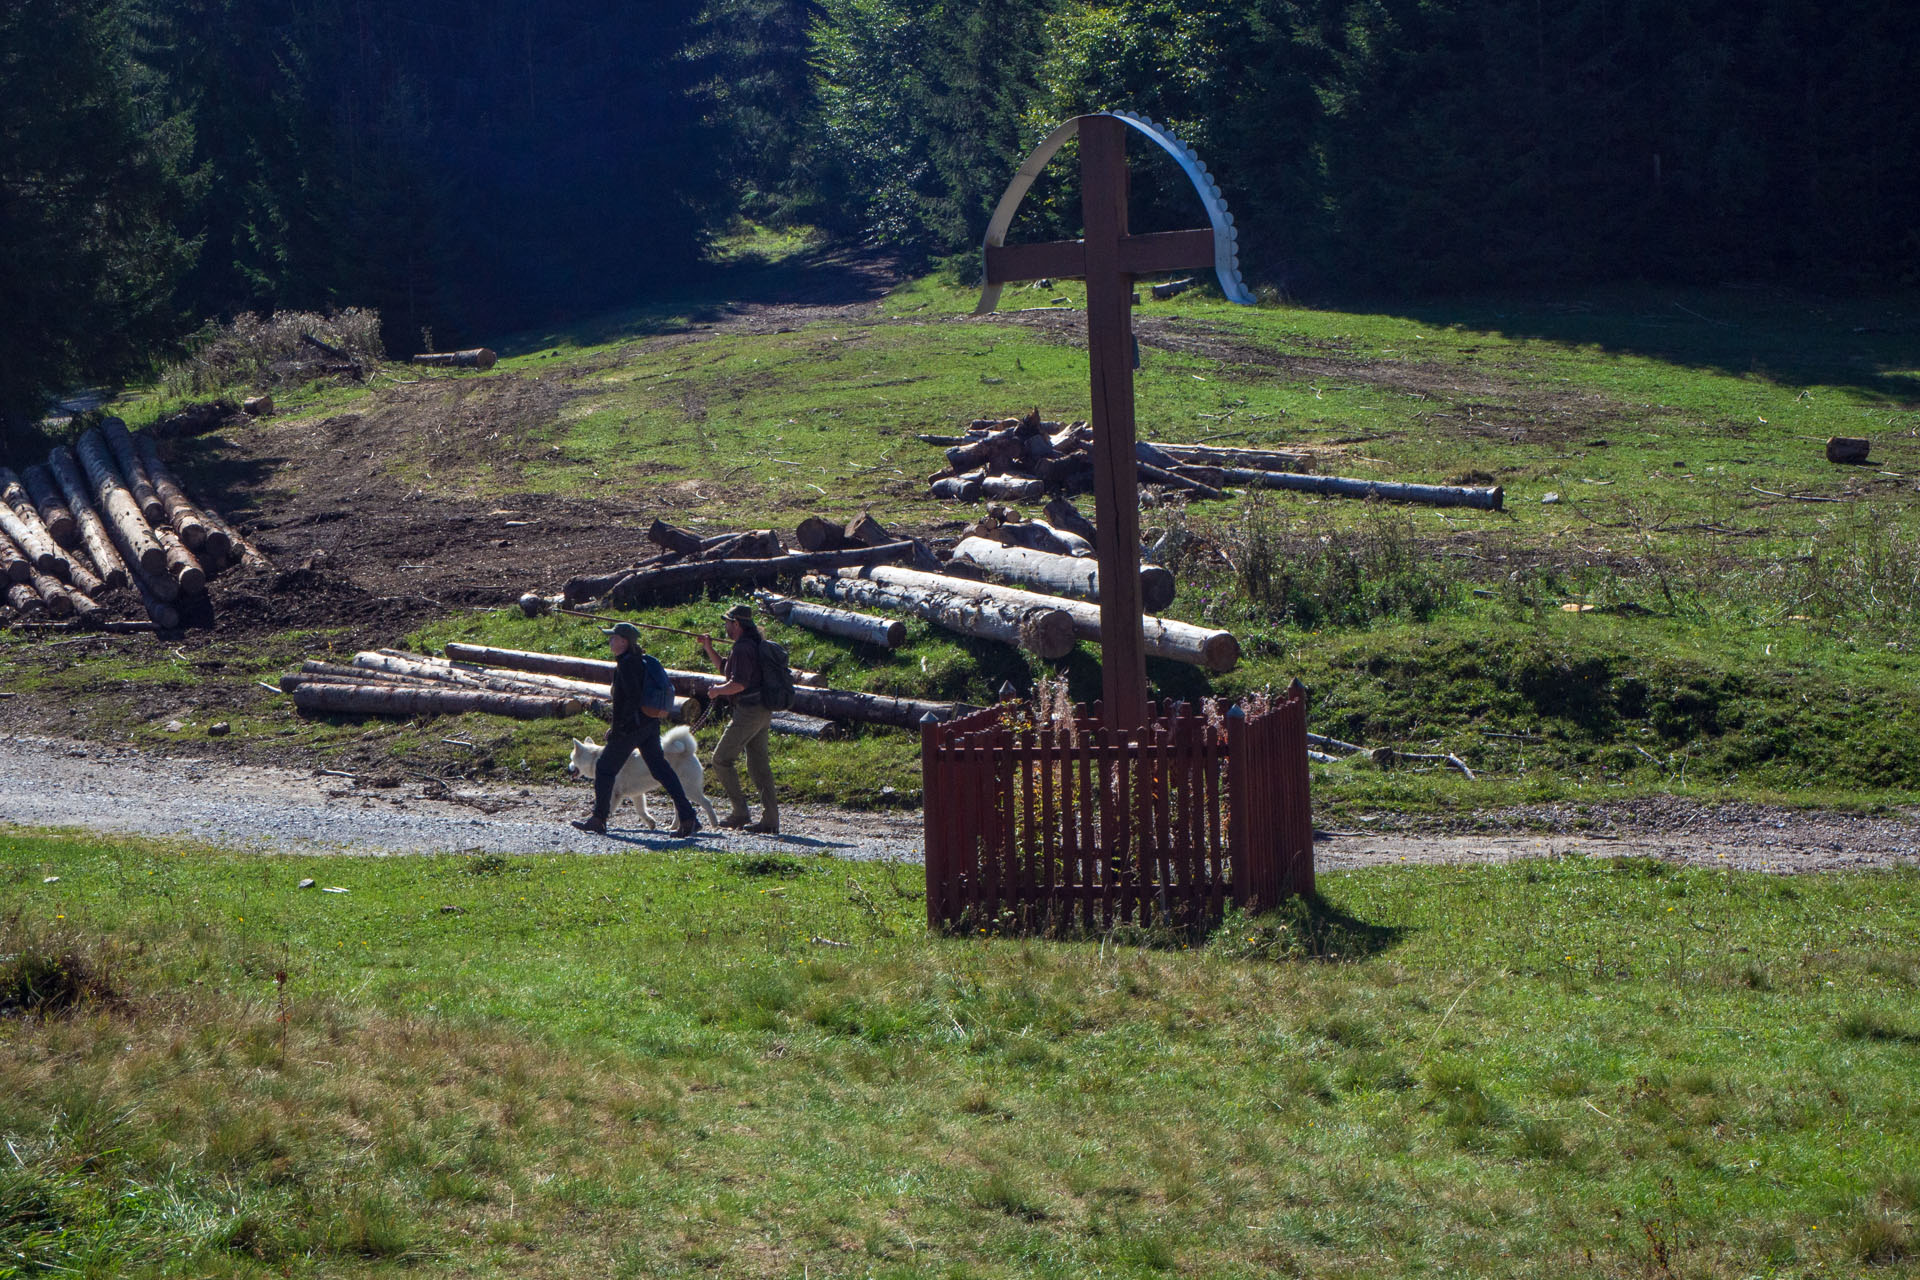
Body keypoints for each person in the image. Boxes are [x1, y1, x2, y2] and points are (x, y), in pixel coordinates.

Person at [572, 621, 701, 838]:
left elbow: (630, 700)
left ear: (624, 641)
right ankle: (689, 818)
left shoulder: (627, 664)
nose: (610, 640)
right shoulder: (639, 661)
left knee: (604, 768)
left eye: (613, 637)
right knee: (661, 770)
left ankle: (598, 819)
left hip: (632, 726)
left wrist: (617, 730)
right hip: (649, 724)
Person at [698, 604, 779, 833]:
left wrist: (717, 691)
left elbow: (738, 684)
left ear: (736, 624)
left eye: (727, 622)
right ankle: (770, 821)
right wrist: (708, 647)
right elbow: (727, 670)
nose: (725, 626)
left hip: (749, 710)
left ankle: (740, 812)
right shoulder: (750, 645)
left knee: (721, 759)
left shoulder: (743, 648)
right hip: (762, 710)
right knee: (759, 766)